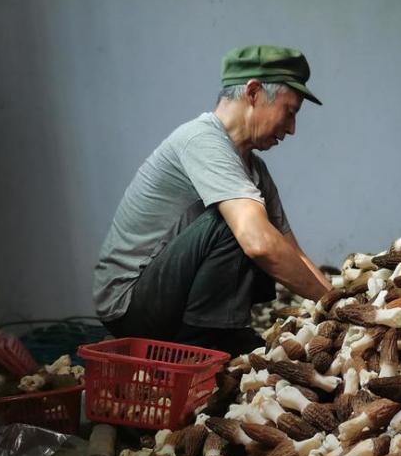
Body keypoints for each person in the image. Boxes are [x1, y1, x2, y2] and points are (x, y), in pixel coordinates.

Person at [93, 45, 332, 354]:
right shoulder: (201, 140)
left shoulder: (254, 169)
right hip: (130, 304)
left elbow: (291, 251)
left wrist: (343, 303)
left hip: (172, 300)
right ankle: (201, 348)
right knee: (241, 226)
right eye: (290, 112)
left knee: (259, 230)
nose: (292, 129)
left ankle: (217, 338)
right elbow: (258, 242)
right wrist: (329, 303)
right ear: (254, 92)